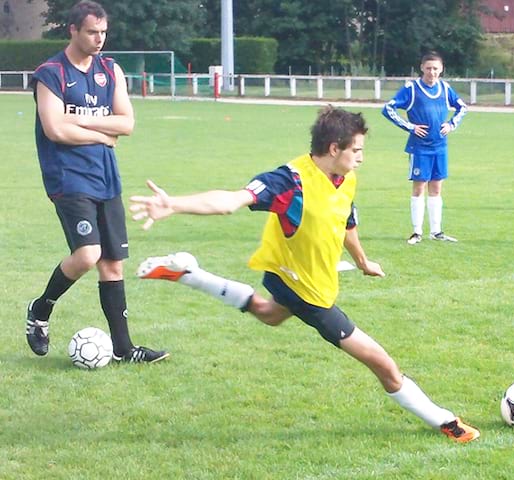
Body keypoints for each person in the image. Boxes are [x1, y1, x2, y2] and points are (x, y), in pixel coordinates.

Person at [129, 106, 479, 442]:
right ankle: (445, 421)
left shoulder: (346, 178)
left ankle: (189, 274)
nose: (361, 157)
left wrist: (362, 261)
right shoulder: (288, 182)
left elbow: (346, 222)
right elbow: (230, 202)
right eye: (356, 150)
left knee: (269, 314)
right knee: (382, 363)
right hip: (304, 289)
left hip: (301, 279)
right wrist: (173, 204)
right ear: (333, 148)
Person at [26, 0, 168, 363]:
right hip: (68, 177)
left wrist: (82, 120)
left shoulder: (110, 70)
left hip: (105, 176)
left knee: (112, 264)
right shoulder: (51, 73)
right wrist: (103, 132)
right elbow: (55, 129)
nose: (99, 39)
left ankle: (123, 350)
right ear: (72, 30)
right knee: (88, 255)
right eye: (92, 31)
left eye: (103, 32)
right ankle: (40, 309)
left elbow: (127, 124)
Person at [382, 51, 467, 244]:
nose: (432, 72)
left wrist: (451, 124)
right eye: (428, 68)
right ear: (421, 68)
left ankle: (436, 231)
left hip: (440, 147)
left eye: (435, 68)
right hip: (420, 147)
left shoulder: (445, 89)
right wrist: (410, 127)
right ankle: (417, 231)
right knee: (419, 187)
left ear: (441, 69)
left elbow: (462, 107)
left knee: (436, 188)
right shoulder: (412, 89)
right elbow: (388, 109)